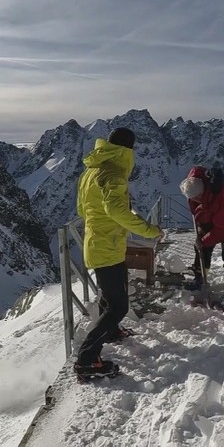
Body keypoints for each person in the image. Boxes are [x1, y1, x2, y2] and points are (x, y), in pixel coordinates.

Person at [74, 127, 164, 378]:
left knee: (111, 291)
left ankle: (112, 332)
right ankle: (87, 359)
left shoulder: (91, 171)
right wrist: (149, 230)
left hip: (96, 242)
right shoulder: (114, 174)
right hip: (107, 247)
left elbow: (82, 210)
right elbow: (117, 212)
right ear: (128, 150)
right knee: (118, 306)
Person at [179, 165, 224, 306]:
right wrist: (201, 235)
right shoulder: (195, 190)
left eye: (196, 197)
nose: (194, 200)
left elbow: (223, 230)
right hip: (209, 211)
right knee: (200, 248)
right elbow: (197, 208)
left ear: (203, 190)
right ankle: (200, 277)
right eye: (192, 198)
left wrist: (204, 240)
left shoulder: (223, 199)